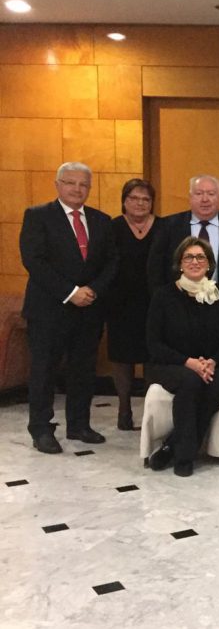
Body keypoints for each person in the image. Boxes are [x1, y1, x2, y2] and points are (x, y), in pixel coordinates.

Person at [20, 162, 118, 453]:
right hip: (49, 309)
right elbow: (34, 261)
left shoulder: (101, 220)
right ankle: (41, 429)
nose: (77, 189)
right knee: (44, 371)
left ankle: (79, 424)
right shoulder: (38, 216)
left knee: (83, 370)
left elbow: (112, 262)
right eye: (70, 183)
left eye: (83, 184)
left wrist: (93, 291)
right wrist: (71, 292)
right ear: (58, 184)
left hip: (89, 310)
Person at [145, 237, 219, 476]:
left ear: (209, 264)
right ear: (180, 263)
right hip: (172, 363)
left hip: (212, 363)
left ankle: (172, 445)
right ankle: (185, 456)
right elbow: (154, 343)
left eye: (201, 257)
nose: (195, 261)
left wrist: (213, 361)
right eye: (189, 257)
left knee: (218, 384)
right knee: (190, 381)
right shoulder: (163, 296)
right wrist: (189, 363)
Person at [107, 178, 163, 431]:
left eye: (146, 199)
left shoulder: (164, 227)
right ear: (124, 201)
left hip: (155, 302)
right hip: (120, 302)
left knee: (153, 355)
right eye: (134, 198)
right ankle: (124, 409)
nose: (140, 203)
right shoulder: (113, 228)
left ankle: (151, 411)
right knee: (122, 357)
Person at [147, 174, 219, 288]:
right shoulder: (168, 225)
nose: (205, 199)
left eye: (211, 194)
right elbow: (155, 268)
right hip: (178, 299)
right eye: (199, 193)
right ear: (190, 197)